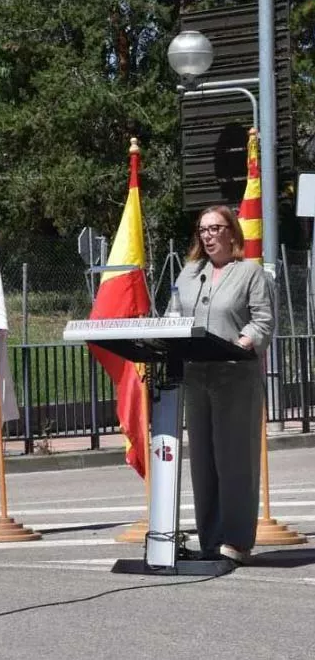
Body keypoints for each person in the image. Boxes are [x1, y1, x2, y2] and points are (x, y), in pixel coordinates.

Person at [175, 205, 275, 565]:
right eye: (203, 230)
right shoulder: (190, 274)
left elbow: (262, 320)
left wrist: (243, 341)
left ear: (232, 233)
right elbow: (174, 315)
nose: (208, 235)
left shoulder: (250, 273)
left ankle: (236, 540)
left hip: (234, 376)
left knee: (235, 461)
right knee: (203, 463)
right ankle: (210, 539)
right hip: (196, 376)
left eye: (216, 228)